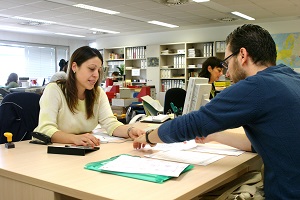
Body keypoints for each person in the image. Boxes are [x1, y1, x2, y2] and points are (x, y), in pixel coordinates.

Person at [134, 24, 300, 199]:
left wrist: (148, 137)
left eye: (227, 62)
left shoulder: (256, 86)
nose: (227, 73)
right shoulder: (291, 77)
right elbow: (263, 142)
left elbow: (193, 123)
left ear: (242, 55)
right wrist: (214, 135)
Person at [34, 46, 144, 147]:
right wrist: (74, 139)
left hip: (80, 148)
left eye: (99, 70)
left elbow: (110, 123)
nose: (96, 74)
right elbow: (45, 129)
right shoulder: (54, 90)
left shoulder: (97, 93)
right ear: (74, 67)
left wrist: (130, 130)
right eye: (91, 69)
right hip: (49, 150)